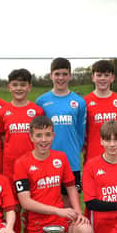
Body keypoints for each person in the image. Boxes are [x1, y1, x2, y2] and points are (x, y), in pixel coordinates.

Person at [13, 116, 95, 233]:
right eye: (39, 135)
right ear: (31, 137)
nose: (44, 140)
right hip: (36, 225)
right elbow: (25, 202)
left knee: (86, 231)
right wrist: (58, 210)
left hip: (61, 220)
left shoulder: (60, 158)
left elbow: (71, 187)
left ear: (53, 135)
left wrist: (78, 213)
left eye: (48, 135)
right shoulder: (21, 163)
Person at [0, 68, 44, 233]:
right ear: (9, 87)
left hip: (33, 168)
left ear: (29, 87)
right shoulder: (3, 111)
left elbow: (41, 138)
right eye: (15, 85)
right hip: (10, 169)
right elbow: (2, 137)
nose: (19, 88)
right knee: (12, 208)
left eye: (23, 85)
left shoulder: (37, 110)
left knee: (32, 208)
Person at [35, 58, 86, 193]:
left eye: (64, 74)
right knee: (48, 201)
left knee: (70, 203)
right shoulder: (41, 101)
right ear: (51, 75)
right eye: (57, 74)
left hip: (71, 161)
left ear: (70, 75)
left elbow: (81, 132)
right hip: (46, 160)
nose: (61, 78)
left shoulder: (79, 102)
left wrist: (75, 150)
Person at [83, 60, 117, 163]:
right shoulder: (84, 102)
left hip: (116, 158)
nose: (103, 78)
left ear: (112, 78)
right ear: (93, 77)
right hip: (92, 157)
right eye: (99, 75)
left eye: (106, 75)